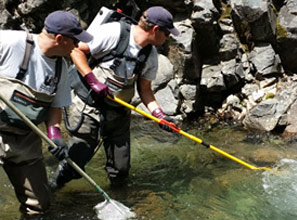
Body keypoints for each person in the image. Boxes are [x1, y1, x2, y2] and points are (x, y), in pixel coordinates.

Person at [51, 6, 180, 188]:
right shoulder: (113, 32)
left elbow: (145, 90)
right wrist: (92, 79)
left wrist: (160, 116)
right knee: (75, 164)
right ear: (156, 30)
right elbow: (76, 50)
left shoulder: (150, 55)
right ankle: (51, 191)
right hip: (88, 106)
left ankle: (118, 202)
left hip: (118, 113)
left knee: (120, 170)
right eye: (167, 33)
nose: (168, 37)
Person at [0, 10, 93, 215]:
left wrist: (55, 136)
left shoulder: (61, 67)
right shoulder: (9, 42)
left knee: (39, 206)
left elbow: (55, 107)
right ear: (60, 39)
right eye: (75, 40)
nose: (78, 46)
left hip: (26, 140)